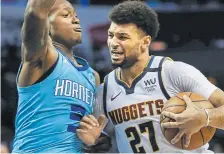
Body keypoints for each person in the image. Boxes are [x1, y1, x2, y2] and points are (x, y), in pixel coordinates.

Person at [77, 1, 224, 153]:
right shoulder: (105, 91)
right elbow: (97, 141)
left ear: (145, 42)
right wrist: (92, 143)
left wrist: (205, 117)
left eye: (122, 37)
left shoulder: (173, 72)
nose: (113, 43)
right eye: (111, 35)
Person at [12, 0, 111, 153]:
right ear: (46, 24)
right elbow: (34, 11)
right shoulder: (42, 56)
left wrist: (98, 140)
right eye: (66, 14)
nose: (76, 19)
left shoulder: (93, 76)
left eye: (76, 15)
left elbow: (92, 131)